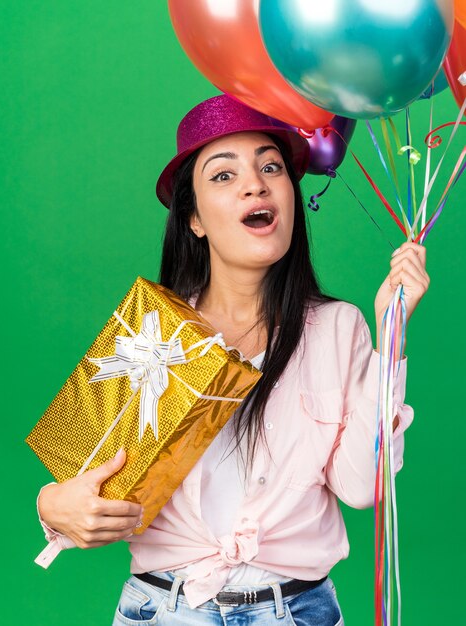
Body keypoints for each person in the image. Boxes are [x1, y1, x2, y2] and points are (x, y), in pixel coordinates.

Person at [37, 95, 429, 625]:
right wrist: (50, 506)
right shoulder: (151, 328)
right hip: (164, 610)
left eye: (271, 167)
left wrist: (392, 332)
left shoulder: (340, 327)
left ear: (291, 195)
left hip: (297, 612)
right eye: (224, 176)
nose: (255, 184)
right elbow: (86, 475)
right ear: (194, 218)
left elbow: (362, 487)